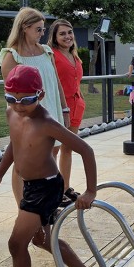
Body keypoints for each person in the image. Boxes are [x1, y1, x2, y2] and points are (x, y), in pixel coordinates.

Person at [0, 65, 100, 267]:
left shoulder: (46, 123)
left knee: (16, 243)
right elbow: (14, 144)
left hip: (46, 187)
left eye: (26, 100)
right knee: (42, 240)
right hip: (30, 186)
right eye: (11, 99)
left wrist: (90, 190)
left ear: (41, 95)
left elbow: (86, 150)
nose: (18, 106)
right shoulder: (12, 113)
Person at [0, 7, 75, 207]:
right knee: (23, 162)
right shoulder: (12, 56)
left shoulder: (46, 51)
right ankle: (23, 207)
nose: (42, 34)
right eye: (38, 29)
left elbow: (56, 82)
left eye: (43, 29)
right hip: (28, 116)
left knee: (51, 156)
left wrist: (64, 109)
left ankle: (47, 204)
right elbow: (11, 95)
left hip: (51, 112)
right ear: (25, 28)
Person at [49, 19, 85, 200]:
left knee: (68, 148)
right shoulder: (51, 55)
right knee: (53, 151)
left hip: (76, 106)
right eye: (62, 33)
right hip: (59, 108)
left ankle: (65, 188)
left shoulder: (74, 55)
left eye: (69, 32)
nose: (67, 36)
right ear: (55, 37)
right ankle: (53, 191)